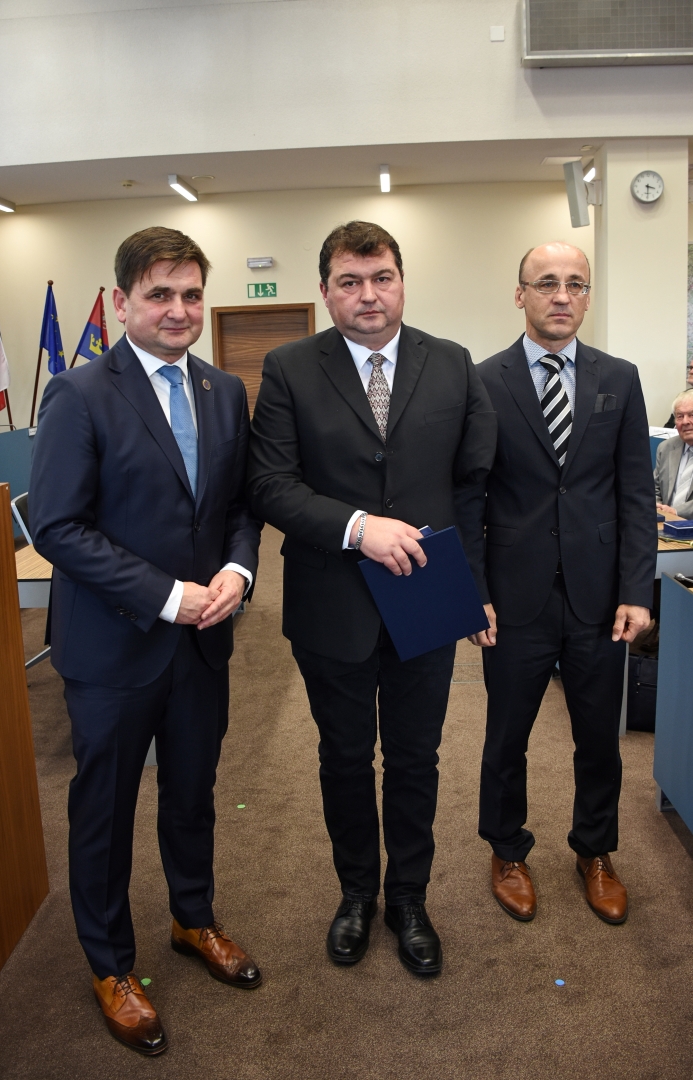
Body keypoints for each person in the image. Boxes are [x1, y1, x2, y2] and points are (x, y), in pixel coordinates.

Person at [29, 227, 262, 1056]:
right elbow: (58, 526)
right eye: (159, 294)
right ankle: (110, 965)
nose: (178, 309)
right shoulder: (80, 392)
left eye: (191, 294)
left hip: (203, 645)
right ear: (123, 301)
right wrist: (166, 596)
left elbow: (237, 507)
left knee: (192, 794)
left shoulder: (223, 391)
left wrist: (237, 571)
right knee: (105, 809)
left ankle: (192, 919)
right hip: (114, 648)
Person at [247, 221, 496, 975]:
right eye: (349, 281)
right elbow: (270, 485)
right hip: (332, 601)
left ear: (401, 282)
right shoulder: (289, 368)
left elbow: (471, 488)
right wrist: (359, 528)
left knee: (416, 757)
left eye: (381, 277)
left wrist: (475, 590)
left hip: (427, 594)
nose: (368, 294)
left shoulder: (451, 363)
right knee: (345, 757)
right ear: (326, 292)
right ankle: (356, 893)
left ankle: (409, 899)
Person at [461, 241, 657, 926]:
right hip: (514, 597)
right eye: (546, 282)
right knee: (506, 735)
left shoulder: (619, 377)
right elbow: (469, 499)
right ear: (520, 294)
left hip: (599, 597)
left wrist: (637, 589)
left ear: (587, 295)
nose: (562, 296)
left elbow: (635, 493)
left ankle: (594, 850)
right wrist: (473, 592)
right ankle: (506, 850)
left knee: (598, 737)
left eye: (576, 283)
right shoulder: (482, 382)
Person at [655, 389, 693, 519]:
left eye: (692, 415)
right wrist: (659, 509)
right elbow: (654, 489)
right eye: (680, 416)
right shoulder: (665, 448)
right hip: (665, 524)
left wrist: (675, 511)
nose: (685, 421)